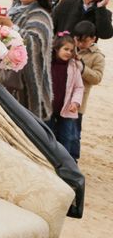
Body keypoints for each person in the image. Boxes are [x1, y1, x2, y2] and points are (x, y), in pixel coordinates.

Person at [0, 0, 54, 120]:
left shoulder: (41, 16)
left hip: (27, 82)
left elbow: (34, 44)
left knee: (27, 125)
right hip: (6, 77)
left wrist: (11, 27)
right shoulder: (14, 10)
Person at [45, 33, 83, 161]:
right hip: (49, 108)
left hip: (67, 109)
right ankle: (49, 161)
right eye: (65, 49)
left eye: (71, 50)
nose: (68, 53)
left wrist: (76, 102)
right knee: (48, 137)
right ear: (56, 49)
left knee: (66, 137)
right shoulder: (47, 64)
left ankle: (65, 164)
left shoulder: (74, 66)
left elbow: (79, 87)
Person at [74, 20, 105, 161]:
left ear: (93, 39)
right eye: (77, 40)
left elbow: (97, 78)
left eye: (84, 41)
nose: (80, 44)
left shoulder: (97, 56)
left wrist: (83, 68)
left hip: (79, 101)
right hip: (62, 94)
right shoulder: (69, 46)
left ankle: (73, 159)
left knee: (74, 133)